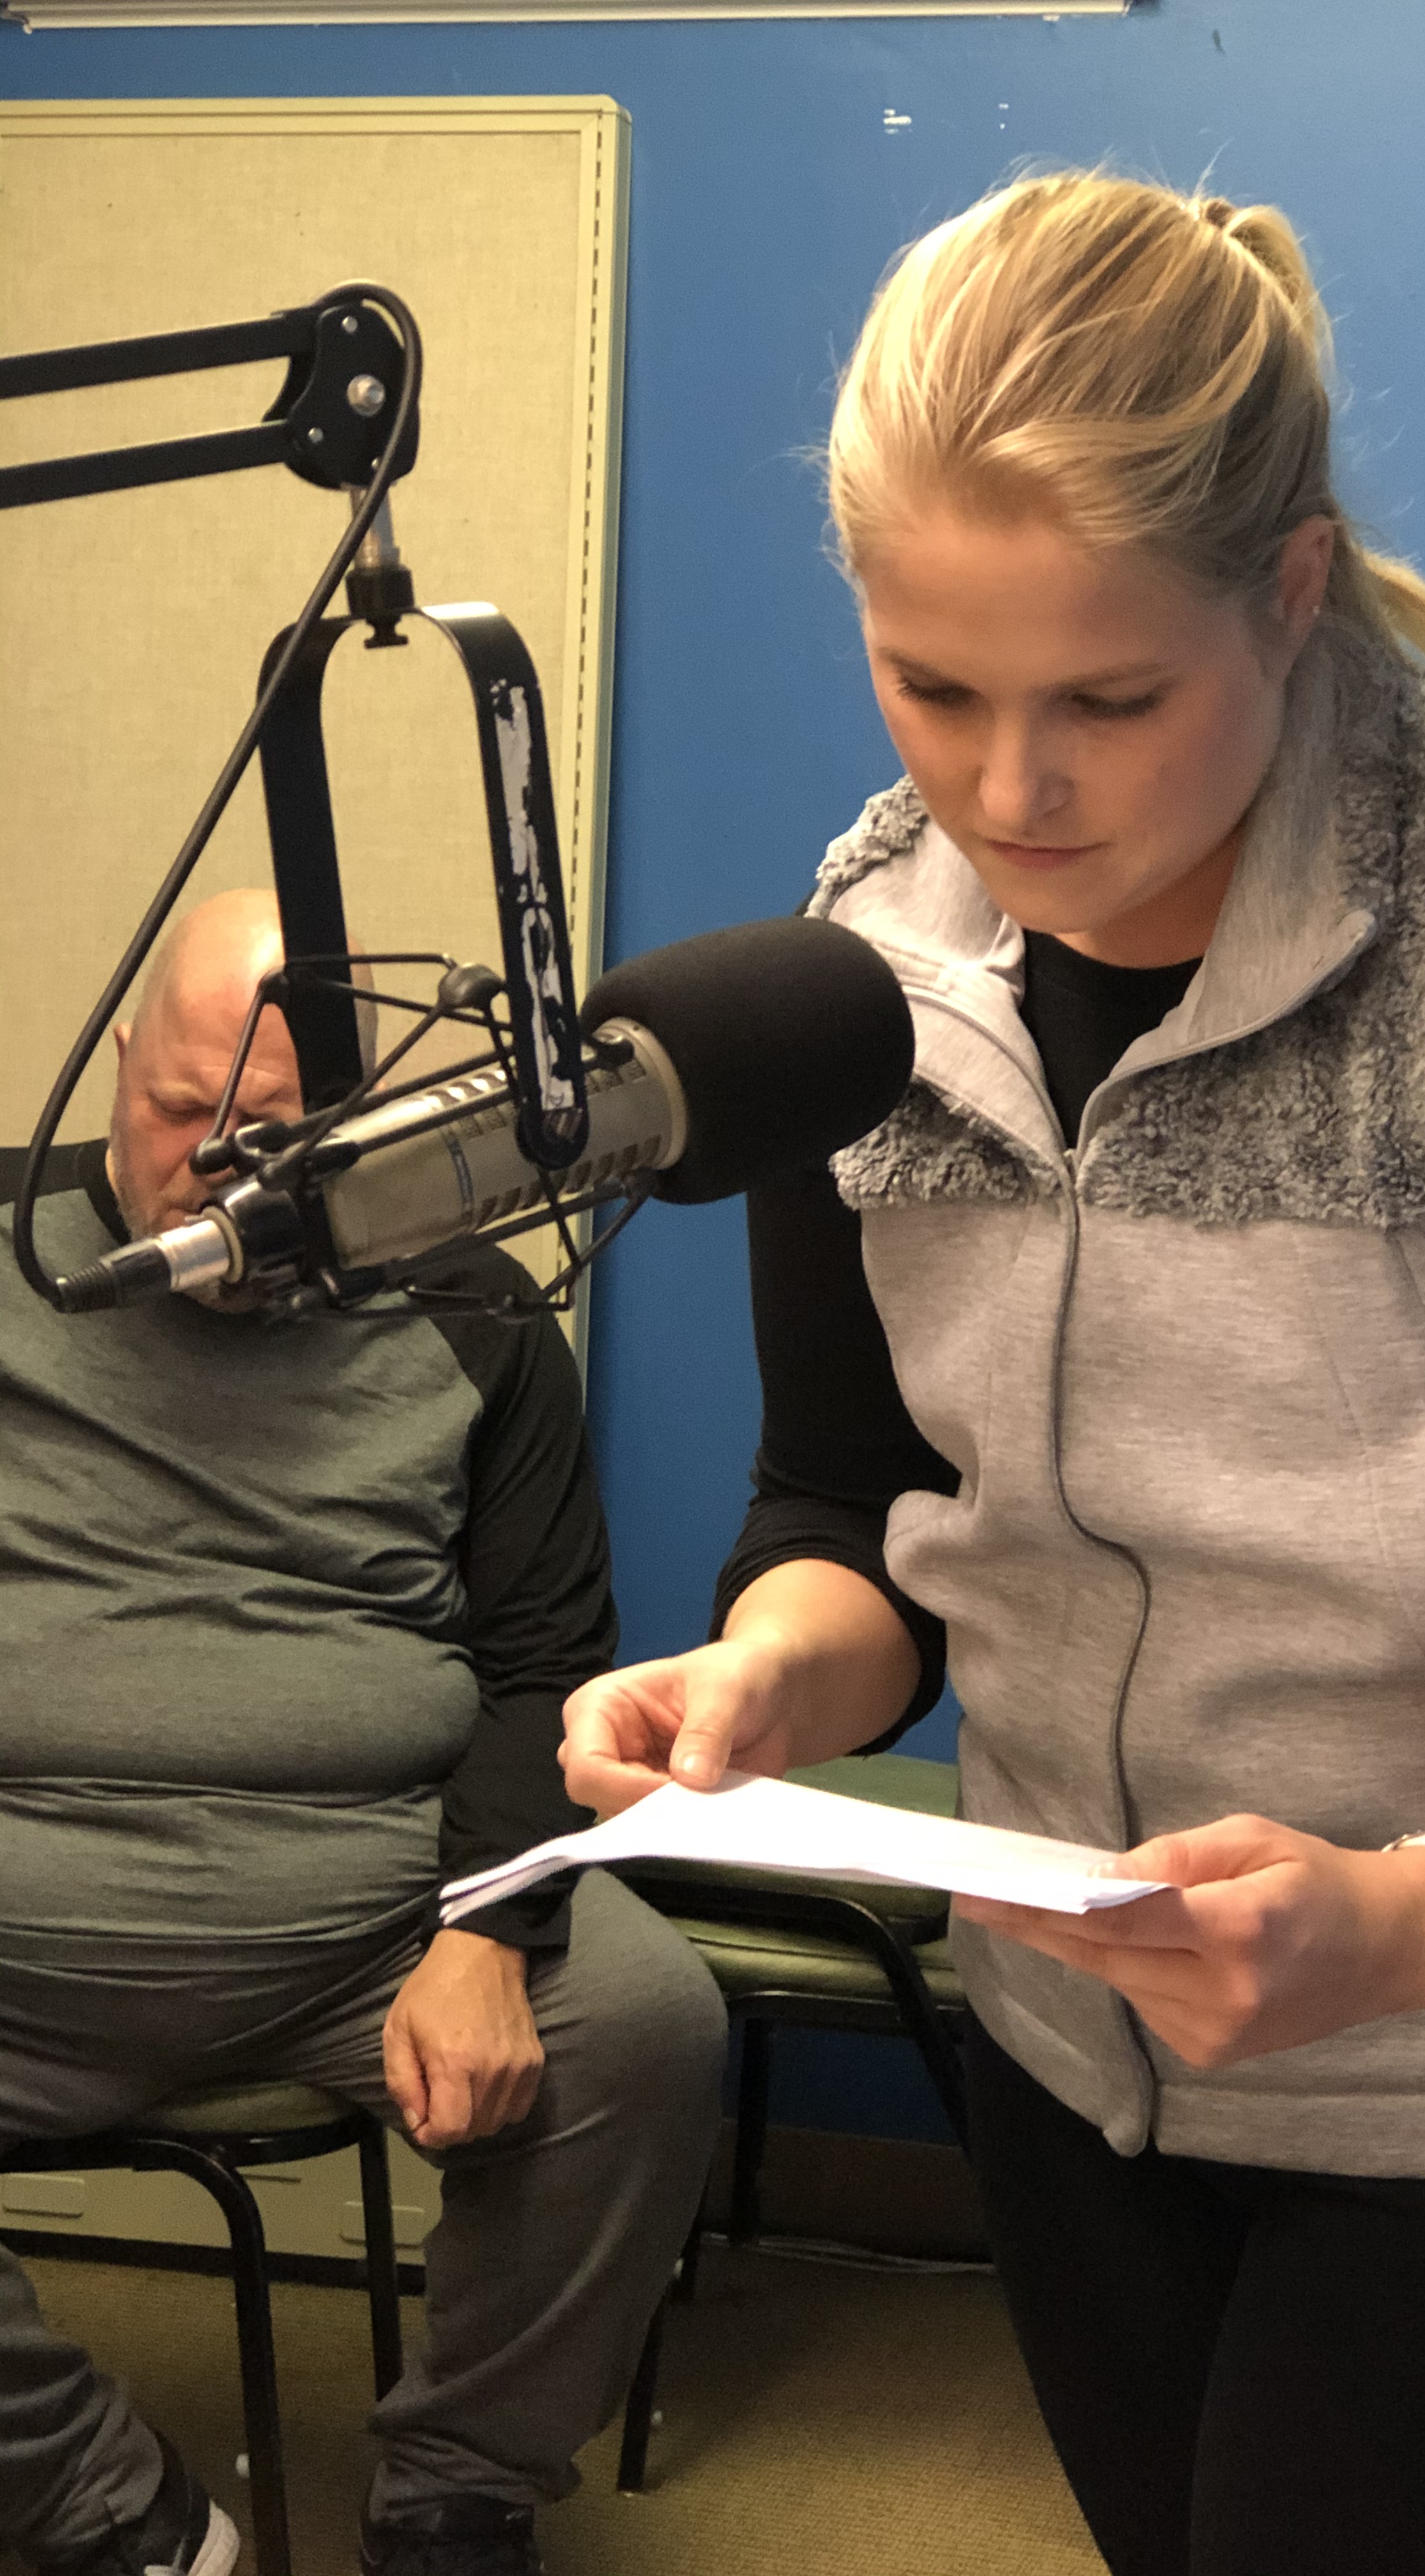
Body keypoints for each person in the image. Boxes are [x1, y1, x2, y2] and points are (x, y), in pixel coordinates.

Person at [560, 174, 1425, 2576]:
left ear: (1291, 589)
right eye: (931, 685)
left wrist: (1412, 1913)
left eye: (1109, 700)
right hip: (1085, 2063)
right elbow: (853, 1509)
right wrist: (770, 1674)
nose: (1012, 791)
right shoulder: (869, 962)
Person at [0, 891, 726, 2576]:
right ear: (118, 1060)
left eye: (274, 1141)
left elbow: (548, 1662)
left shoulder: (475, 1311)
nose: (214, 1176)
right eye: (180, 1114)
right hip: (28, 1911)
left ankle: (457, 2489)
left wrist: (487, 1931)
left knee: (645, 2026)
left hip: (363, 1908)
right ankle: (107, 2513)